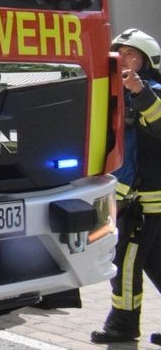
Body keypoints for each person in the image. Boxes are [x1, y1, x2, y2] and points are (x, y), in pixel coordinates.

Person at [91, 28, 161, 343]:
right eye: (119, 52)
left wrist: (140, 92)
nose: (124, 58)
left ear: (147, 60)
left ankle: (123, 325)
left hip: (147, 201)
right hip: (123, 195)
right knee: (154, 261)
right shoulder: (114, 91)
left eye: (131, 53)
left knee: (127, 260)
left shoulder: (153, 90)